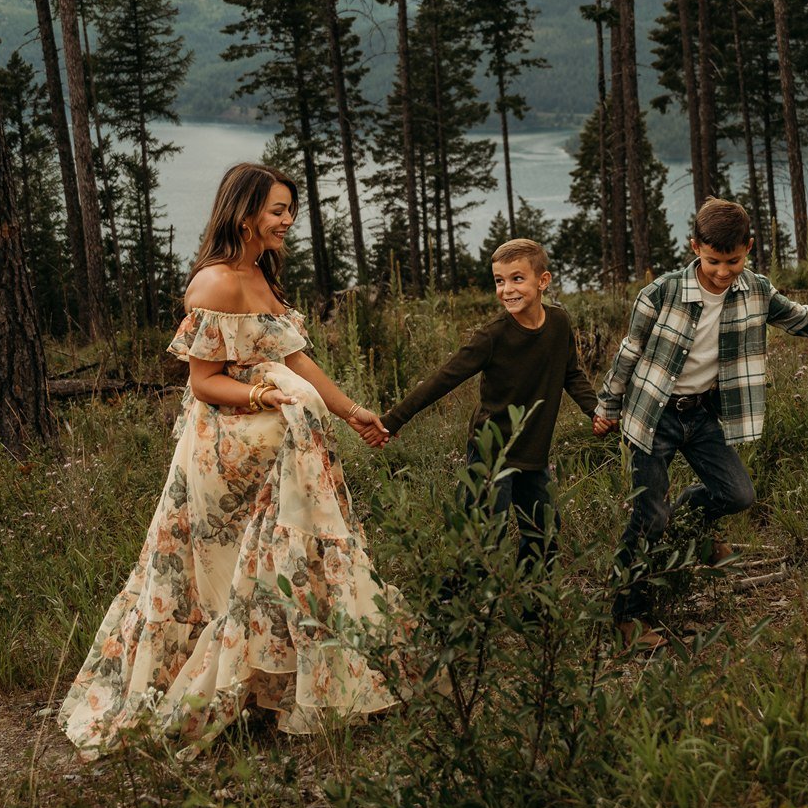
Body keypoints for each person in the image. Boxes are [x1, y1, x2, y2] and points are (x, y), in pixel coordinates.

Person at [58, 163, 402, 754]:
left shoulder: (261, 276)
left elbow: (296, 361)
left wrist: (351, 411)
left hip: (275, 451)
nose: (288, 221)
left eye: (290, 210)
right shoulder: (215, 283)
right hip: (227, 455)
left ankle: (282, 693)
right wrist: (261, 395)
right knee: (227, 575)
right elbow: (203, 384)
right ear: (244, 215)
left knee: (279, 568)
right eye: (277, 211)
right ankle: (215, 694)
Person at [596, 197, 808, 640]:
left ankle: (692, 529)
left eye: (733, 260)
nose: (723, 271)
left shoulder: (757, 290)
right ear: (695, 247)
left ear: (748, 248)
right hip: (653, 415)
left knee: (737, 494)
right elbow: (628, 353)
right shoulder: (661, 293)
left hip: (704, 415)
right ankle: (628, 615)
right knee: (649, 518)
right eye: (713, 260)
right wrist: (607, 407)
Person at [380, 238, 599, 569]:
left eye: (517, 278)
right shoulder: (493, 336)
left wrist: (597, 411)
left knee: (542, 537)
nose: (507, 289)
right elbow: (444, 378)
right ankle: (469, 609)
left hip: (533, 452)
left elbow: (572, 374)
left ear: (543, 281)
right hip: (490, 453)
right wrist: (393, 419)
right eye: (499, 281)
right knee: (484, 540)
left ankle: (529, 610)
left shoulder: (559, 323)